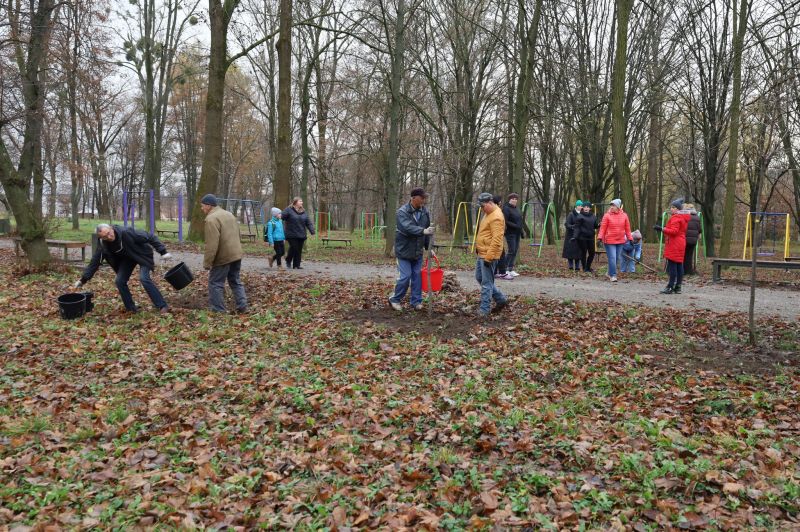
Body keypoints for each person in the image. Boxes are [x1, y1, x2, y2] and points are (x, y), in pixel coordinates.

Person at [74, 223, 172, 313]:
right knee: (120, 281)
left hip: (142, 255)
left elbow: (150, 237)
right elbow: (94, 262)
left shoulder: (126, 232)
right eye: (105, 237)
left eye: (109, 233)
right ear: (101, 238)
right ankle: (131, 308)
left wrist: (163, 252)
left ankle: (162, 305)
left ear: (111, 228)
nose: (109, 237)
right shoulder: (104, 245)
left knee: (144, 278)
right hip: (128, 259)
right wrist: (83, 280)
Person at [200, 194, 248, 313]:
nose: (202, 209)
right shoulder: (229, 214)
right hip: (236, 254)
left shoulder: (211, 219)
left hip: (223, 257)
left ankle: (218, 311)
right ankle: (243, 306)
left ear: (208, 205)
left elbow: (211, 244)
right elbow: (238, 234)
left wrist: (207, 262)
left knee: (215, 283)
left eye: (202, 206)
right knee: (235, 280)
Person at [388, 187, 434, 311]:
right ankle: (395, 299)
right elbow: (407, 228)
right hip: (404, 251)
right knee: (405, 277)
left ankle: (416, 301)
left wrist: (428, 247)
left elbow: (427, 231)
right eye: (422, 198)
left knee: (417, 277)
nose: (424, 200)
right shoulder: (402, 212)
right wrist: (422, 231)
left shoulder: (424, 212)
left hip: (417, 252)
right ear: (413, 198)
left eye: (425, 198)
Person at [474, 192, 508, 318]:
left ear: (490, 202)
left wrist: (489, 257)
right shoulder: (488, 213)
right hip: (482, 252)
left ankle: (484, 310)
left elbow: (497, 240)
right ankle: (500, 298)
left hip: (489, 255)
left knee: (486, 283)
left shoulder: (497, 217)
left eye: (483, 206)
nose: (482, 209)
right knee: (479, 277)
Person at [654, 199, 690, 294]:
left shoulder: (676, 218)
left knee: (673, 266)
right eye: (671, 207)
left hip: (674, 243)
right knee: (679, 265)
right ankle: (678, 287)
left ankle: (670, 286)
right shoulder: (683, 218)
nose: (671, 209)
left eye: (674, 207)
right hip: (681, 242)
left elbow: (674, 232)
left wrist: (661, 228)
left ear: (678, 209)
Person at [598, 198, 632, 282]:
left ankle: (609, 272)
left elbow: (627, 228)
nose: (611, 207)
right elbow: (603, 228)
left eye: (613, 205)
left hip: (620, 240)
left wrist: (630, 238)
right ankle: (613, 275)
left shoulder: (624, 215)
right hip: (609, 240)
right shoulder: (607, 215)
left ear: (618, 207)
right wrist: (599, 237)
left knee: (617, 258)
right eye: (611, 205)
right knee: (612, 258)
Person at [281, 197, 315, 269]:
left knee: (299, 249)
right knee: (294, 247)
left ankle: (297, 265)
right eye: (300, 201)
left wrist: (312, 231)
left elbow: (308, 222)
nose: (302, 203)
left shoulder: (304, 211)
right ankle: (288, 260)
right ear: (295, 202)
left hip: (301, 234)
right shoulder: (288, 210)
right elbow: (281, 216)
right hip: (291, 233)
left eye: (302, 201)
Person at [502, 193, 523, 277]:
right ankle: (504, 269)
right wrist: (515, 226)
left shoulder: (517, 209)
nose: (514, 200)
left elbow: (520, 221)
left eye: (516, 199)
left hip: (517, 233)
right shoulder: (506, 209)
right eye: (513, 199)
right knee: (511, 250)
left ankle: (510, 269)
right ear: (509, 199)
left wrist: (521, 231)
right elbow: (505, 221)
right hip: (510, 233)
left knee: (515, 251)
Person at [492, 195, 512, 281]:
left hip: (497, 235)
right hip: (497, 236)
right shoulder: (497, 211)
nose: (501, 202)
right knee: (501, 254)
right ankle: (502, 272)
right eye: (500, 201)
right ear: (498, 202)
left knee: (497, 254)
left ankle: (495, 272)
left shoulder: (495, 210)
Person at [575, 202, 599, 272]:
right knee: (584, 253)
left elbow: (595, 226)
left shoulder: (593, 216)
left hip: (591, 237)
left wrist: (599, 225)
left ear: (589, 208)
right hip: (582, 237)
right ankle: (584, 268)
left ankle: (588, 267)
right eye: (585, 207)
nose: (586, 208)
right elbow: (577, 227)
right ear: (583, 208)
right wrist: (575, 236)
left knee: (592, 253)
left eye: (587, 207)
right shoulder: (580, 216)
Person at [563, 200, 583, 271]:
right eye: (579, 205)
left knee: (578, 252)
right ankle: (571, 266)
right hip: (570, 235)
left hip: (579, 236)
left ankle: (577, 266)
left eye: (581, 205)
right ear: (576, 206)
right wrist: (573, 227)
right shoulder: (571, 214)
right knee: (570, 252)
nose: (580, 207)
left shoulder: (582, 214)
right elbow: (567, 224)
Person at [683, 203, 702, 275]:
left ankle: (683, 270)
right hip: (693, 240)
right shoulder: (697, 217)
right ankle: (689, 270)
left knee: (684, 255)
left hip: (685, 238)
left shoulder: (685, 216)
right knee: (689, 255)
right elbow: (699, 229)